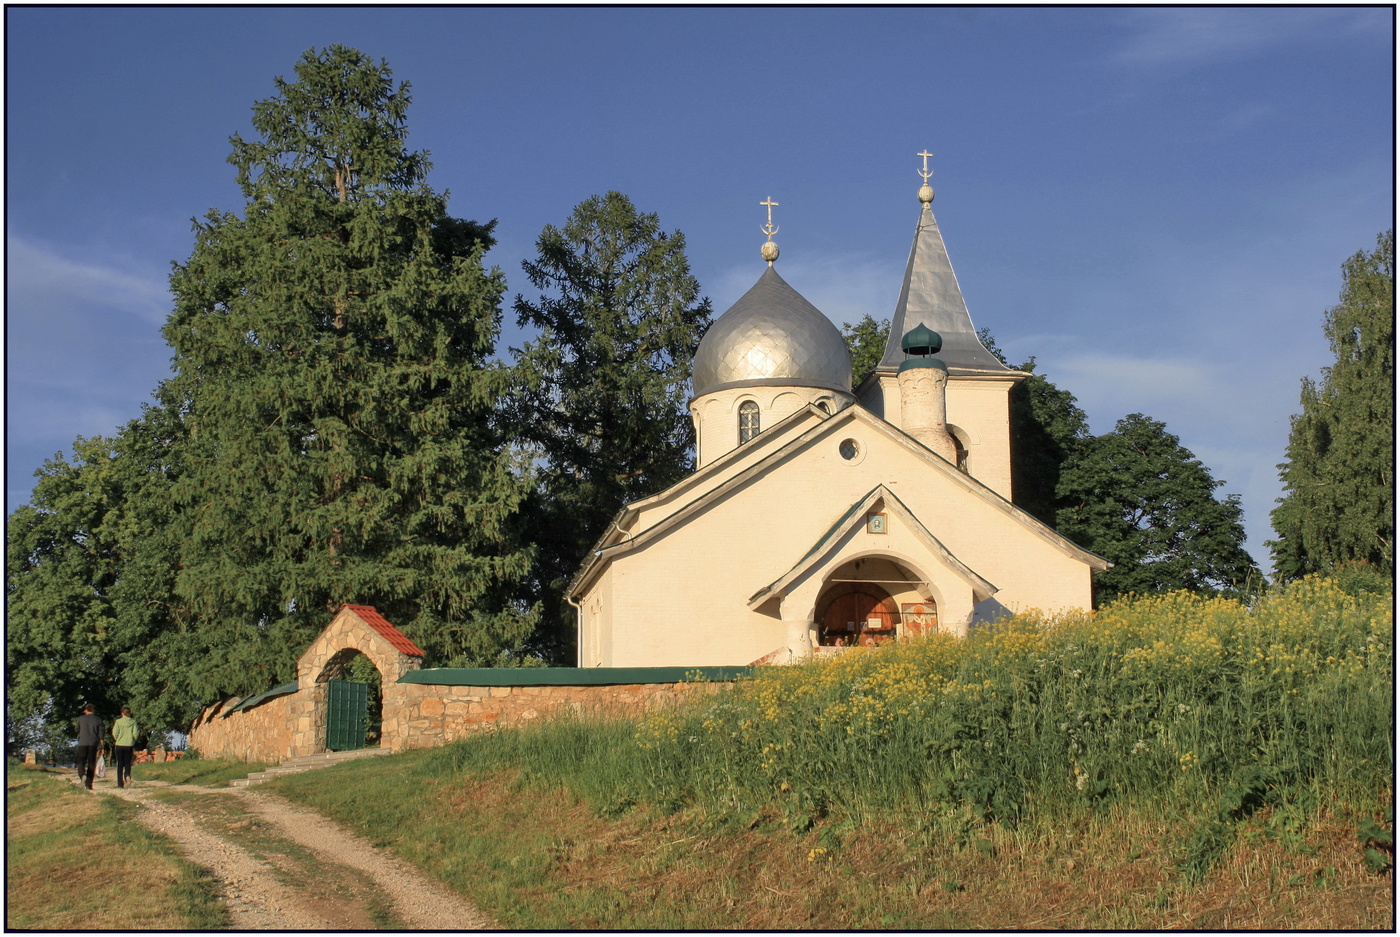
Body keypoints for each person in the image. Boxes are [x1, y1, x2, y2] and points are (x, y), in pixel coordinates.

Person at [75, 703, 103, 790]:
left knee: (81, 761)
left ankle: (82, 775)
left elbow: (76, 729)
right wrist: (102, 746)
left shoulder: (81, 718)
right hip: (93, 743)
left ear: (86, 710)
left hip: (82, 743)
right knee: (91, 763)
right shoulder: (98, 720)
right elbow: (101, 734)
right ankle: (89, 784)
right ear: (93, 710)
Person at [112, 707, 139, 788]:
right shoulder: (133, 722)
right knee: (127, 763)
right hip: (129, 744)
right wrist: (132, 739)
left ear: (122, 713)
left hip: (119, 744)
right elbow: (135, 734)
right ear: (130, 713)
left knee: (120, 764)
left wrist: (118, 738)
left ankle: (120, 784)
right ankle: (127, 774)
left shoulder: (118, 722)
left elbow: (114, 732)